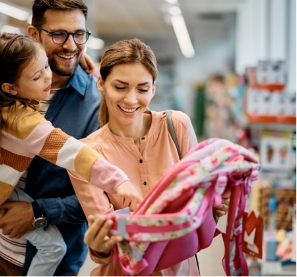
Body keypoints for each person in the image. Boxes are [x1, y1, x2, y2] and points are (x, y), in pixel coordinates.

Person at [69, 38, 230, 276]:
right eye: (120, 87)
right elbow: (105, 245)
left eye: (142, 89)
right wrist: (99, 246)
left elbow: (201, 208)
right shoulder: (86, 155)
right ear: (101, 84)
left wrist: (215, 204)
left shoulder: (177, 127)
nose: (131, 100)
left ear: (153, 88)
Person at [0, 33, 142, 275]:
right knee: (54, 248)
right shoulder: (28, 124)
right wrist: (119, 180)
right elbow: (76, 154)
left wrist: (77, 60)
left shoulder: (7, 104)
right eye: (37, 75)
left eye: (46, 64)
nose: (48, 76)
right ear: (10, 87)